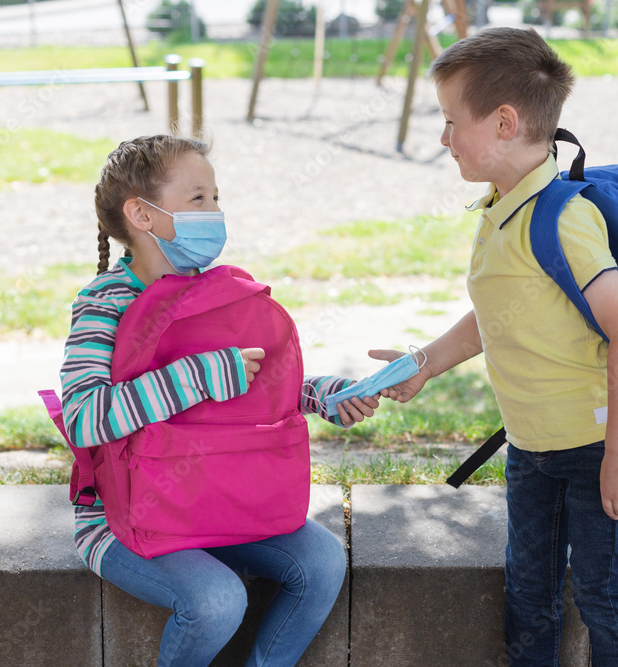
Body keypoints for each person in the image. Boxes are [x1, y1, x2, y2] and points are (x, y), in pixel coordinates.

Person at [370, 28, 618, 666]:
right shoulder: (501, 208)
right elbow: (499, 313)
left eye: (450, 121)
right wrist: (425, 364)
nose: (443, 138)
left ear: (504, 122)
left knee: (602, 592)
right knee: (527, 588)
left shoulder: (565, 218)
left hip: (594, 446)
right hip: (530, 447)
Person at [60, 134, 379, 667]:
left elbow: (249, 385)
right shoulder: (103, 304)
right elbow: (85, 418)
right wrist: (197, 377)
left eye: (215, 197)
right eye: (197, 199)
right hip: (124, 517)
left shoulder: (213, 292)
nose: (215, 212)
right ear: (141, 214)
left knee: (322, 561)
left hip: (212, 500)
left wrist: (321, 394)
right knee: (216, 601)